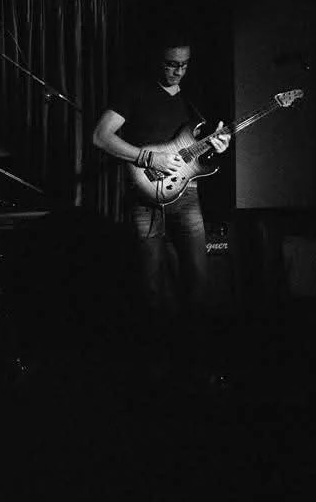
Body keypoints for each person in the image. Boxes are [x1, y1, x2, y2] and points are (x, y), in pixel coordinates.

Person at [91, 36, 230, 378]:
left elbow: (196, 149)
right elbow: (100, 136)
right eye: (171, 64)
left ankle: (194, 365)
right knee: (150, 287)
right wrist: (145, 156)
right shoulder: (134, 91)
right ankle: (154, 370)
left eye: (184, 64)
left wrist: (217, 145)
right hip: (145, 200)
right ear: (157, 59)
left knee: (198, 283)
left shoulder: (193, 98)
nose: (178, 71)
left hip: (188, 194)